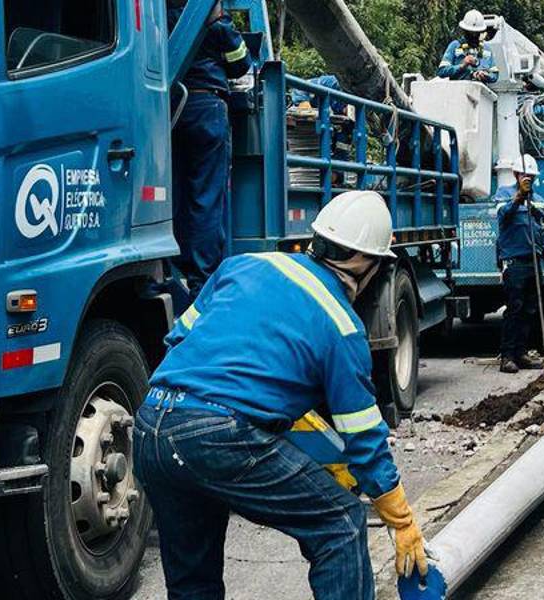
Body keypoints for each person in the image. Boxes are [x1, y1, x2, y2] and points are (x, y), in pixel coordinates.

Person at [134, 191, 426, 600]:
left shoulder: (241, 266)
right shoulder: (342, 326)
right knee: (340, 524)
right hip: (217, 436)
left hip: (151, 424)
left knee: (193, 584)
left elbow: (179, 338)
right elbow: (364, 437)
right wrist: (401, 519)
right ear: (366, 264)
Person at [168, 0, 254, 297]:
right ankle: (202, 280)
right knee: (205, 197)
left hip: (167, 108)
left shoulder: (158, 14)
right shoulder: (208, 14)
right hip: (206, 106)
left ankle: (171, 269)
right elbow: (241, 63)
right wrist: (219, 23)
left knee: (173, 194)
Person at [495, 155, 544, 374]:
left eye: (531, 176)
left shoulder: (538, 200)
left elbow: (542, 230)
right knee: (515, 308)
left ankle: (521, 353)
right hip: (514, 261)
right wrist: (519, 196)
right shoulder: (503, 194)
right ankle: (507, 356)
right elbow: (503, 215)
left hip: (533, 261)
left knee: (530, 309)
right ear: (516, 175)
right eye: (524, 175)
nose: (528, 178)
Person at [436, 9, 499, 83]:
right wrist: (462, 65)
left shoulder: (486, 49)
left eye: (476, 32)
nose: (474, 35)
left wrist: (486, 76)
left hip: (480, 89)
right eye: (471, 32)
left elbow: (495, 75)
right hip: (459, 88)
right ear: (465, 30)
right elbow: (441, 71)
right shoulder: (455, 46)